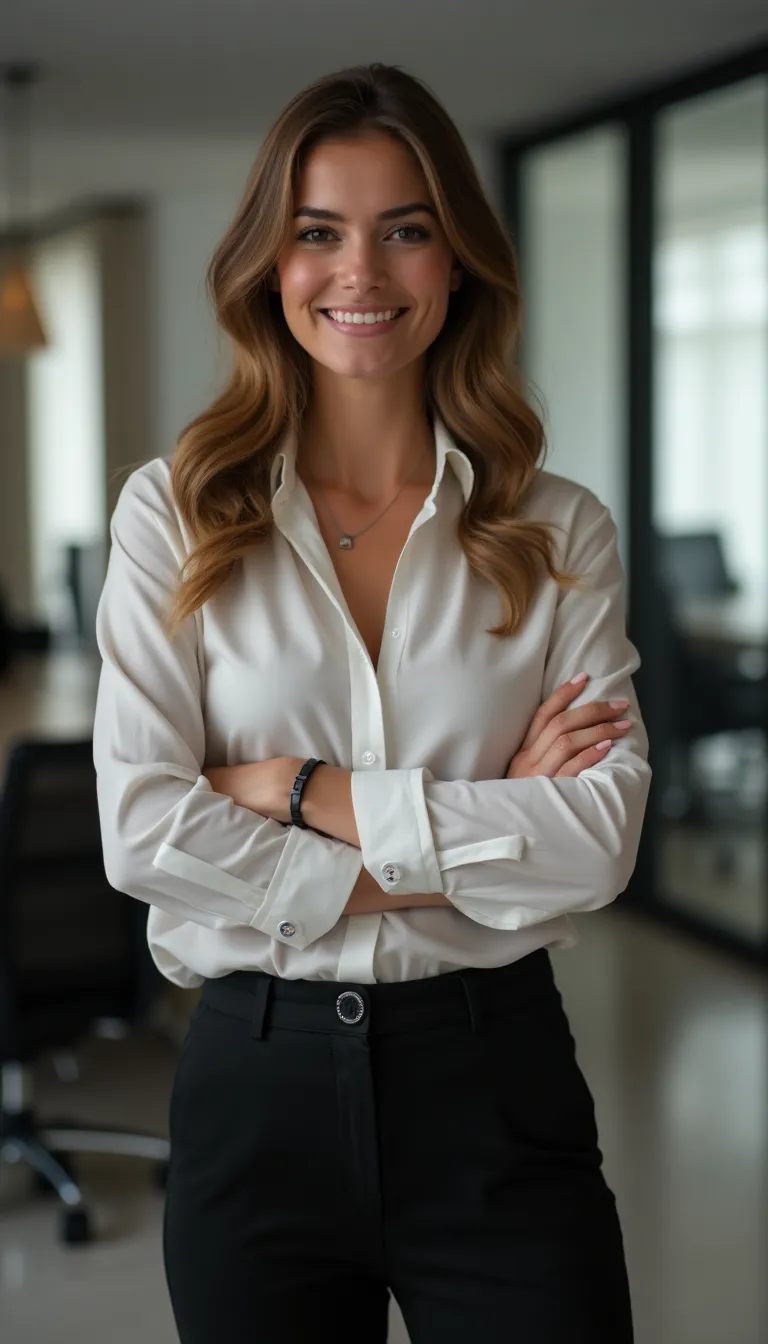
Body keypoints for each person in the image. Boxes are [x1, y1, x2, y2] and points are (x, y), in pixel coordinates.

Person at [93, 62, 651, 1344]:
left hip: (496, 1083)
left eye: (405, 229)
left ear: (457, 262)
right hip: (254, 1091)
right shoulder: (171, 515)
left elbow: (598, 841)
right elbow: (142, 832)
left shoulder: (560, 531)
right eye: (318, 232)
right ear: (268, 263)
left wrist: (296, 792)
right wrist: (489, 828)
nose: (361, 272)